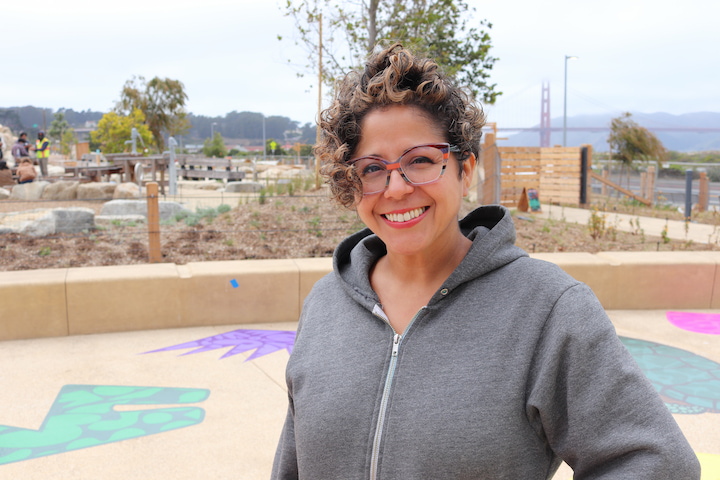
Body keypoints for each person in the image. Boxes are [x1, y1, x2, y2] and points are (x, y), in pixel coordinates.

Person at [271, 44, 700, 479]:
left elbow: (658, 462)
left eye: (421, 161)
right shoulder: (327, 303)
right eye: (372, 168)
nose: (396, 188)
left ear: (466, 168)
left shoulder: (548, 309)